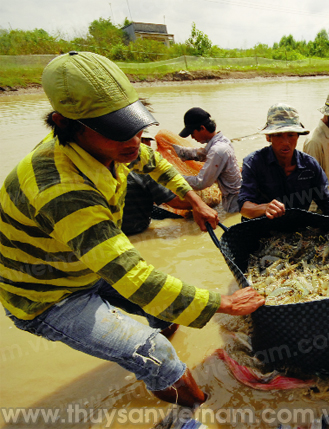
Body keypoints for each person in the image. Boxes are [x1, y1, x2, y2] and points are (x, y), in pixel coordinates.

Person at [0, 51, 264, 408]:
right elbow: (129, 274)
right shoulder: (62, 188)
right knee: (152, 351)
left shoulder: (117, 146)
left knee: (164, 310)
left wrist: (197, 202)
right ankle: (199, 408)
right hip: (49, 296)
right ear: (64, 124)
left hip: (87, 265)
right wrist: (224, 303)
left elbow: (155, 164)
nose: (134, 141)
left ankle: (155, 359)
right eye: (117, 130)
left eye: (135, 126)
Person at [238, 103, 329, 219]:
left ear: (298, 136)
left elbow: (327, 205)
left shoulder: (310, 166)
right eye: (278, 135)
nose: (285, 142)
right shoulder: (253, 163)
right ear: (268, 137)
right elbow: (244, 207)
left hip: (296, 228)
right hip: (261, 228)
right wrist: (264, 208)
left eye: (291, 135)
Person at [122, 129, 193, 235]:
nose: (149, 144)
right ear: (142, 143)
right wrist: (199, 205)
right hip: (137, 230)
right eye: (146, 141)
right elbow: (176, 202)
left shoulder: (114, 164)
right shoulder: (146, 172)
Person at [172, 107, 242, 213]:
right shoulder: (222, 141)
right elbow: (201, 154)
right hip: (235, 197)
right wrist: (173, 149)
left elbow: (200, 183)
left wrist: (172, 177)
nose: (192, 137)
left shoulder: (218, 150)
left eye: (192, 133)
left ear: (202, 128)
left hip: (234, 203)